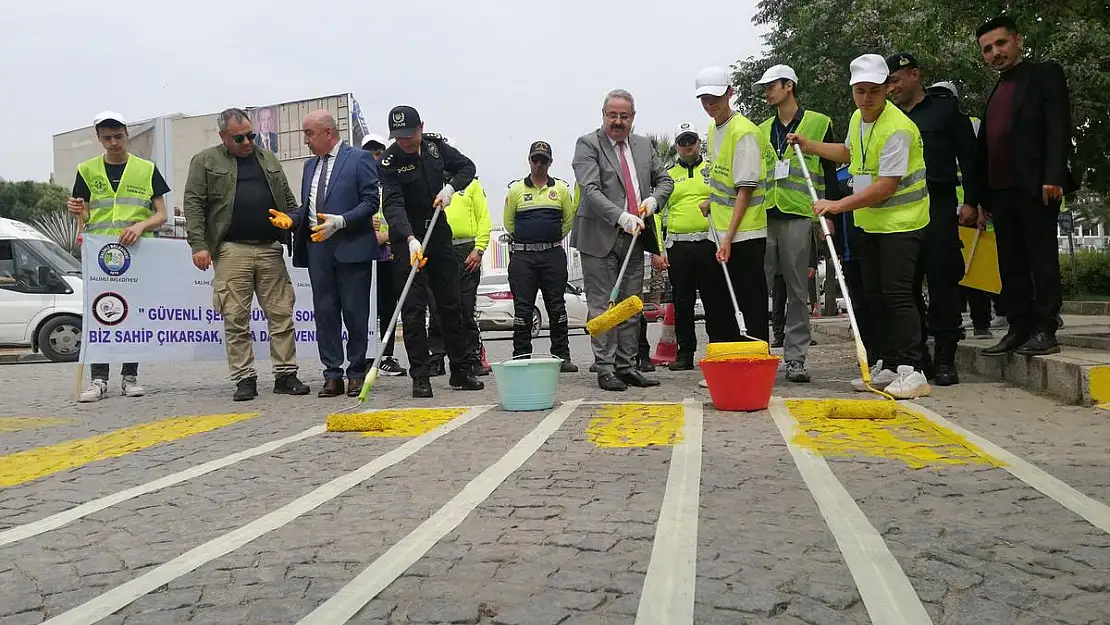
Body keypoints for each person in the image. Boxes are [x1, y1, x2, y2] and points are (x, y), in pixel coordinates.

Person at [790, 54, 932, 399]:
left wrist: (837, 205)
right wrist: (810, 146)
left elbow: (886, 186)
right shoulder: (858, 119)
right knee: (875, 295)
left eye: (874, 91)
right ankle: (889, 362)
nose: (866, 98)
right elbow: (849, 153)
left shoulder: (897, 128)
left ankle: (913, 370)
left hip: (903, 223)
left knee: (898, 295)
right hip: (871, 224)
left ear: (887, 89)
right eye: (860, 91)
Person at [183, 108, 310, 401]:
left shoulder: (268, 159)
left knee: (281, 313)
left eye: (250, 135)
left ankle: (285, 374)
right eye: (239, 137)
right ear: (223, 137)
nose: (247, 142)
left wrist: (291, 218)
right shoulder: (205, 161)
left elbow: (289, 201)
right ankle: (244, 378)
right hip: (231, 249)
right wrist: (199, 245)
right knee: (235, 315)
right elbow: (193, 204)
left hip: (270, 247)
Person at [974, 15, 1076, 357]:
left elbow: (1058, 128)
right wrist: (982, 196)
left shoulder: (1044, 75)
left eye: (1000, 43)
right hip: (1000, 192)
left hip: (1036, 186)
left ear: (1017, 40)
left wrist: (1054, 176)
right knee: (1010, 262)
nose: (995, 53)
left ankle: (1045, 328)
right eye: (987, 49)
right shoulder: (997, 89)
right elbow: (989, 144)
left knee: (1040, 257)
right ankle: (1018, 327)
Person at [377, 105, 484, 398]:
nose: (405, 142)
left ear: (420, 128)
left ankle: (460, 371)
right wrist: (410, 239)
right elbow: (393, 204)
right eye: (399, 138)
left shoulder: (437, 149)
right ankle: (421, 375)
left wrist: (451, 188)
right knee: (413, 310)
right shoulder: (389, 161)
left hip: (437, 233)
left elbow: (468, 168)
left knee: (451, 304)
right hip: (407, 239)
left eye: (409, 136)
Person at [886, 53, 980, 386]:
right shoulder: (888, 116)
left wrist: (972, 201)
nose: (891, 87)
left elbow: (969, 157)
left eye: (895, 79)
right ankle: (917, 357)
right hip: (900, 209)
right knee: (905, 284)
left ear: (915, 75)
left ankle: (945, 358)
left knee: (943, 280)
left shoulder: (946, 111)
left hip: (938, 205)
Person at [571, 89, 673, 392]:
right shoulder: (587, 145)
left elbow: (665, 180)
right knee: (603, 306)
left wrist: (654, 201)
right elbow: (590, 190)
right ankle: (605, 367)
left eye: (624, 116)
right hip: (600, 236)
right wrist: (621, 216)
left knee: (631, 305)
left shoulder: (643, 146)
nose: (618, 121)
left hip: (635, 238)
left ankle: (627, 366)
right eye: (612, 115)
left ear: (633, 118)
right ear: (603, 115)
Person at [274, 110, 379, 398]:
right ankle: (332, 373)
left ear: (328, 133)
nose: (306, 140)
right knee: (325, 314)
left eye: (309, 133)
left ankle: (356, 372)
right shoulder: (309, 166)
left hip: (351, 248)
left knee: (356, 314)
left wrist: (341, 221)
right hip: (318, 249)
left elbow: (371, 201)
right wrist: (291, 220)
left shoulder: (358, 159)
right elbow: (308, 208)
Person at [68, 111, 169, 402]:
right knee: (101, 312)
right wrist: (77, 212)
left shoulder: (146, 169)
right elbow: (84, 215)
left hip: (136, 252)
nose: (114, 143)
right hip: (100, 253)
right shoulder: (86, 169)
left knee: (132, 313)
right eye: (107, 138)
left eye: (118, 136)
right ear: (99, 138)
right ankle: (98, 379)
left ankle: (130, 375)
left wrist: (140, 225)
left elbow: (161, 214)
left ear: (127, 135)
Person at [753, 64, 842, 382]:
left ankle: (795, 359)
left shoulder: (819, 123)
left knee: (796, 291)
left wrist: (829, 215)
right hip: (764, 217)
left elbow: (830, 172)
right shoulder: (761, 130)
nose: (766, 92)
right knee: (756, 288)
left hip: (800, 216)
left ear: (788, 85)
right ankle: (755, 352)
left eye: (771, 86)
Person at [696, 66, 771, 345]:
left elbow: (745, 189)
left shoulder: (745, 132)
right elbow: (723, 180)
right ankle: (726, 361)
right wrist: (711, 202)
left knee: (748, 301)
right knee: (718, 301)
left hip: (745, 234)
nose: (709, 104)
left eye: (714, 97)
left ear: (730, 92)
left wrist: (728, 238)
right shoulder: (714, 129)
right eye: (704, 98)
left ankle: (754, 361)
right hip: (719, 231)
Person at [504, 140, 578, 372]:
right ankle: (521, 355)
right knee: (523, 310)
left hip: (552, 255)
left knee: (557, 307)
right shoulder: (516, 190)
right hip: (523, 258)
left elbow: (568, 221)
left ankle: (561, 356)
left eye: (543, 160)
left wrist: (550, 238)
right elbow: (508, 223)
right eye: (535, 159)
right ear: (529, 161)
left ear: (550, 162)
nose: (539, 164)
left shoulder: (562, 190)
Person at [657, 122, 716, 371]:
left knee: (715, 301)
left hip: (708, 243)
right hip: (678, 247)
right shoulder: (668, 176)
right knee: (682, 303)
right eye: (683, 141)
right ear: (676, 147)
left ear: (698, 143)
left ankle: (717, 350)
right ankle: (685, 354)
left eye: (691, 140)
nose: (687, 145)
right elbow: (658, 215)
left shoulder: (712, 171)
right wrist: (659, 250)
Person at [427, 169, 493, 376]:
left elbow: (483, 217)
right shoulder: (431, 181)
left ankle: (471, 356)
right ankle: (437, 356)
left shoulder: (471, 184)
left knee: (465, 306)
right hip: (439, 247)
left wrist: (479, 248)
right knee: (437, 307)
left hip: (466, 249)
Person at [360, 134, 407, 376]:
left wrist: (385, 237)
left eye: (378, 153)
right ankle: (367, 356)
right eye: (369, 153)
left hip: (389, 254)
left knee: (389, 307)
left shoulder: (392, 183)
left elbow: (401, 217)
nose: (374, 158)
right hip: (365, 256)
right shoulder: (358, 183)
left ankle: (386, 356)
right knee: (364, 309)